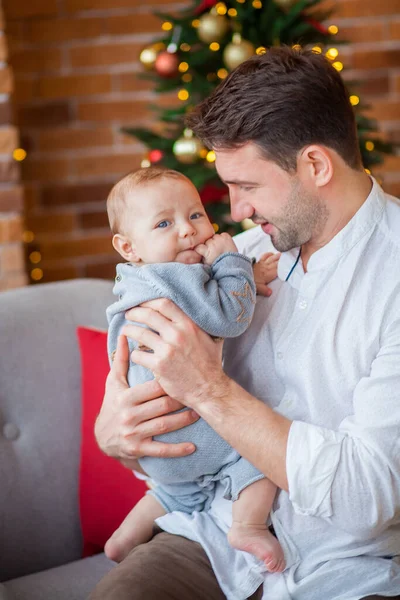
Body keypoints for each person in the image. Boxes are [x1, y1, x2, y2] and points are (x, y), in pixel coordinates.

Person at [89, 46, 400, 600]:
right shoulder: (232, 264)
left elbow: (365, 500)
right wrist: (115, 434)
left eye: (248, 187)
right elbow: (151, 414)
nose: (233, 212)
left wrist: (207, 388)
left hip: (348, 566)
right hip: (209, 535)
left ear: (315, 165)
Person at [104, 166, 284, 572]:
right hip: (190, 430)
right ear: (128, 246)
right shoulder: (172, 276)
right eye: (164, 223)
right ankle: (248, 526)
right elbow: (229, 317)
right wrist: (233, 261)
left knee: (175, 493)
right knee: (263, 458)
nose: (188, 231)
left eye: (196, 215)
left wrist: (246, 275)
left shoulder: (137, 282)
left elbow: (203, 295)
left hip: (158, 446)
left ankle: (124, 537)